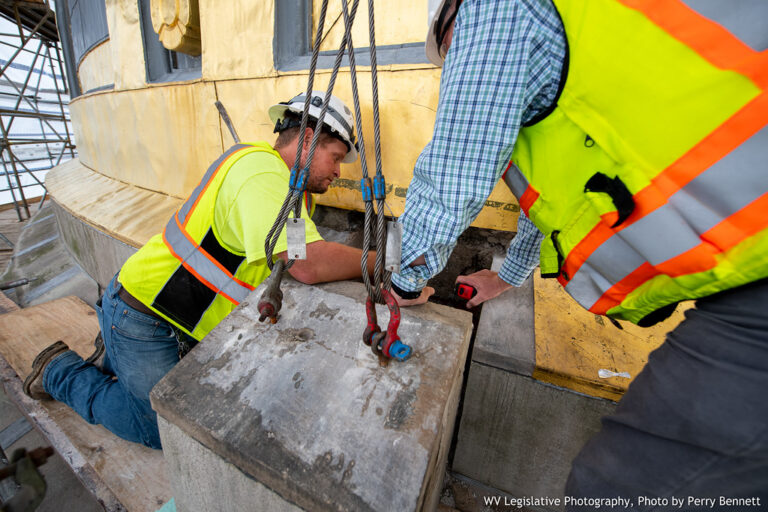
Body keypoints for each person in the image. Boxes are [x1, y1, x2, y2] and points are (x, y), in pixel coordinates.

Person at [392, 0, 768, 507]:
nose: (460, 69)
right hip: (744, 271)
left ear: (450, 24)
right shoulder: (579, 50)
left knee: (616, 491)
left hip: (753, 282)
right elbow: (546, 202)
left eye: (454, 55)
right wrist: (507, 276)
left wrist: (404, 283)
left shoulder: (492, 7)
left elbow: (456, 170)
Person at [23, 91, 375, 449]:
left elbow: (295, 256)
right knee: (163, 433)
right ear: (307, 139)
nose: (336, 172)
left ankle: (112, 355)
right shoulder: (260, 171)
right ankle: (59, 372)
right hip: (145, 316)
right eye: (335, 158)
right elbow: (307, 264)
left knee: (171, 404)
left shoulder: (294, 195)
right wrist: (379, 263)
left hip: (179, 320)